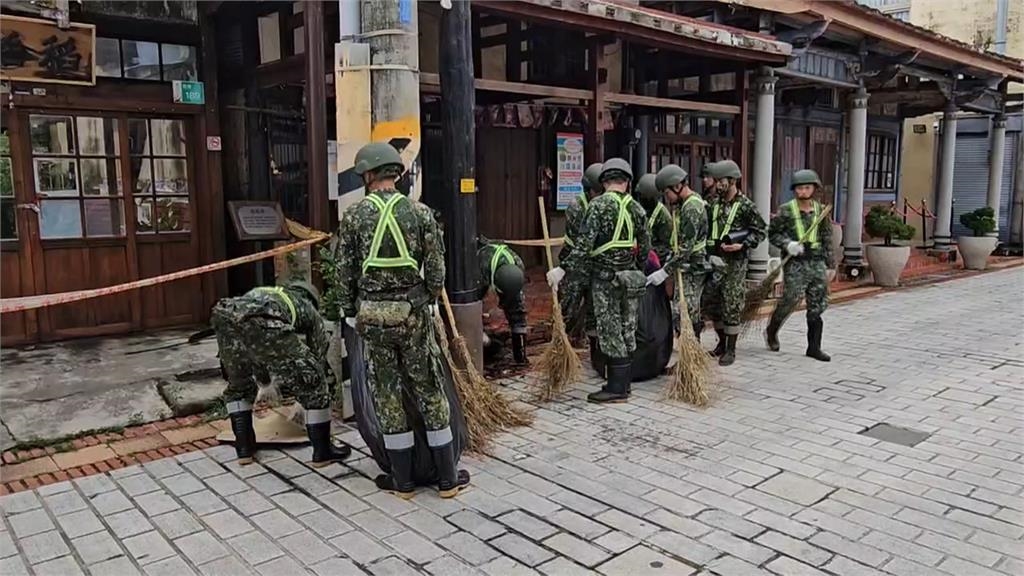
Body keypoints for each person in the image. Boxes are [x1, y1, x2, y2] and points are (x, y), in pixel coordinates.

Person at [334, 142, 468, 499]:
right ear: (396, 173)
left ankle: (403, 481)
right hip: (413, 315)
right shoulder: (420, 213)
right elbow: (438, 271)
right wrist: (424, 298)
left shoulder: (355, 216)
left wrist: (347, 310)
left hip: (372, 318)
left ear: (368, 174)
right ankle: (447, 479)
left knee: (387, 394)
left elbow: (343, 271)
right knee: (429, 389)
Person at [213, 280, 351, 467]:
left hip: (225, 317)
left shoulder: (263, 293)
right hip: (263, 320)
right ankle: (323, 451)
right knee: (315, 383)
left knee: (239, 386)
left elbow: (254, 345)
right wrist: (306, 395)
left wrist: (265, 382)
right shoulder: (307, 307)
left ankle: (244, 449)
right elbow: (318, 355)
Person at [548, 158, 651, 403]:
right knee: (627, 327)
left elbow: (583, 246)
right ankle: (623, 384)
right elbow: (646, 246)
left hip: (604, 280)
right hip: (630, 279)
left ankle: (616, 388)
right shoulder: (636, 208)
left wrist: (563, 269)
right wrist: (637, 267)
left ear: (604, 182)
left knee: (609, 328)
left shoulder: (597, 205)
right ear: (627, 181)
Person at [703, 159, 767, 366]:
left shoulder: (746, 206)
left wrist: (743, 245)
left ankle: (731, 349)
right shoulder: (714, 203)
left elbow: (761, 230)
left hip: (734, 265)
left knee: (731, 304)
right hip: (714, 262)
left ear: (732, 181)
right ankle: (721, 342)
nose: (717, 184)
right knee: (713, 304)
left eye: (721, 180)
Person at [767, 169, 833, 362]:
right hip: (795, 263)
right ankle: (772, 330)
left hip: (816, 261)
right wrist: (787, 244)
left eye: (807, 187)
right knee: (790, 299)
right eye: (799, 188)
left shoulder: (821, 211)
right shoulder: (786, 210)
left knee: (817, 304)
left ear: (814, 188)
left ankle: (814, 347)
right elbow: (773, 234)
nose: (803, 191)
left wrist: (831, 264)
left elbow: (827, 237)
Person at [646, 164, 708, 338]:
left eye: (667, 194)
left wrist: (665, 271)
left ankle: (693, 356)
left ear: (677, 186)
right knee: (683, 311)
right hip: (684, 265)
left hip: (692, 266)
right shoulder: (684, 205)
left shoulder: (691, 208)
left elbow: (686, 248)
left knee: (686, 311)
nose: (667, 199)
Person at [555, 163, 603, 349]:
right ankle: (561, 345)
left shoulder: (601, 206)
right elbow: (585, 242)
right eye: (597, 192)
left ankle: (590, 345)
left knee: (593, 307)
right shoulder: (576, 207)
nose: (600, 196)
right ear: (588, 189)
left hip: (593, 264)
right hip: (575, 264)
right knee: (569, 305)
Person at [476, 237, 528, 364]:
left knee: (517, 308)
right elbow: (474, 299)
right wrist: (478, 329)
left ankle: (520, 354)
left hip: (502, 273)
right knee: (475, 304)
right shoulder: (481, 267)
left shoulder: (518, 267)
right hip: (481, 260)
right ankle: (483, 340)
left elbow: (516, 303)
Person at [636, 173, 672, 268]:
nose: (639, 199)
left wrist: (650, 251)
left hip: (655, 263)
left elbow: (666, 246)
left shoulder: (663, 216)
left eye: (642, 197)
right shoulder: (639, 209)